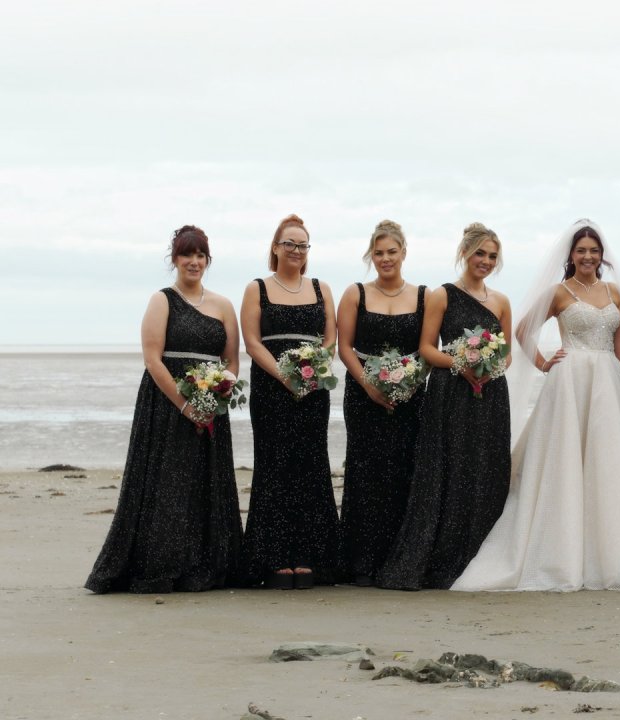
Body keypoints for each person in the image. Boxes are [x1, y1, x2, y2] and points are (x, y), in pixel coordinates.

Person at [453, 219, 620, 591]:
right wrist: (543, 363)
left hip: (607, 386)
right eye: (581, 250)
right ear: (571, 255)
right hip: (569, 384)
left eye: (594, 251)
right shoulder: (559, 292)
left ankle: (612, 552)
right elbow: (522, 330)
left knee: (609, 463)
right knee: (565, 463)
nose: (588, 256)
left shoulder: (614, 292)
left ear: (602, 255)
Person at [86, 225, 244, 593]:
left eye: (200, 255)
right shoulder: (162, 300)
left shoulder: (223, 305)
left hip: (211, 405)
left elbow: (232, 361)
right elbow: (153, 359)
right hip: (167, 404)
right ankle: (163, 565)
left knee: (206, 482)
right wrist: (186, 405)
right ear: (174, 259)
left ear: (208, 260)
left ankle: (206, 567)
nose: (194, 261)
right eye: (187, 254)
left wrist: (218, 394)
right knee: (168, 483)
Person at [377, 222, 513, 590]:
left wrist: (489, 368)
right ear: (465, 253)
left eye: (492, 256)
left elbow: (507, 354)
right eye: (480, 253)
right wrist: (461, 365)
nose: (485, 261)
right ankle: (440, 559)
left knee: (485, 469)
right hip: (451, 392)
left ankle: (477, 555)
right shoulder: (442, 295)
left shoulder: (501, 301)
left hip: (490, 395)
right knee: (451, 468)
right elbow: (426, 348)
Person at [240, 214, 340, 589]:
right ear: (276, 247)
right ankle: (274, 557)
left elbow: (330, 340)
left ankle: (311, 556)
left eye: (302, 245)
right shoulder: (257, 289)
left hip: (313, 390)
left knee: (311, 466)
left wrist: (313, 373)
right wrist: (285, 376)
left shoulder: (321, 288)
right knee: (275, 466)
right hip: (271, 389)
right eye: (290, 244)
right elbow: (252, 342)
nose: (296, 250)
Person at [336, 220, 428, 586]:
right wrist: (369, 386)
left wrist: (408, 385)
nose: (385, 258)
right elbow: (344, 347)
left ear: (404, 252)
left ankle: (398, 559)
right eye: (378, 253)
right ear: (370, 256)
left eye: (392, 252)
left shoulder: (424, 296)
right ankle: (360, 562)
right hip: (363, 395)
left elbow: (426, 350)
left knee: (404, 469)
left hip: (410, 397)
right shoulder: (355, 293)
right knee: (365, 471)